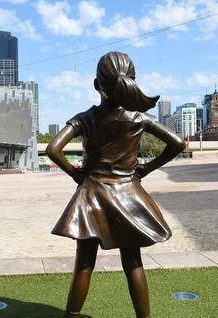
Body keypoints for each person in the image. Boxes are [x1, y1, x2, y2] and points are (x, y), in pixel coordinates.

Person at [46, 52, 186, 318]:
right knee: (133, 261)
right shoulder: (138, 118)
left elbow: (53, 149)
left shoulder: (85, 118)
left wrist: (76, 175)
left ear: (97, 84)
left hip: (91, 196)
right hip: (128, 195)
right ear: (131, 81)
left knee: (84, 264)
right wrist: (147, 168)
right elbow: (178, 144)